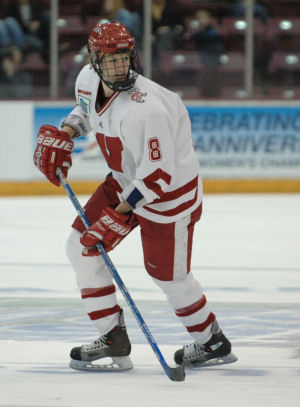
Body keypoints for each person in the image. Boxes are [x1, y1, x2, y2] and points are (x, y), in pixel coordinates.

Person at [33, 22, 237, 372]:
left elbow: (158, 177)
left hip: (167, 199)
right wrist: (67, 133)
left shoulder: (148, 109)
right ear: (94, 60)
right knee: (80, 248)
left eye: (125, 58)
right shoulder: (86, 79)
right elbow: (86, 111)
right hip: (125, 180)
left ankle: (211, 342)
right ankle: (113, 338)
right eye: (111, 61)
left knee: (168, 277)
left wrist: (118, 215)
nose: (120, 67)